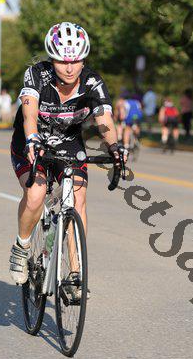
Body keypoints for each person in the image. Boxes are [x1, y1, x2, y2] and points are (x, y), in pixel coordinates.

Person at [9, 22, 127, 292]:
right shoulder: (37, 75)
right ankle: (21, 247)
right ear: (52, 59)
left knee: (78, 197)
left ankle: (75, 274)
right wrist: (32, 138)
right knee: (36, 194)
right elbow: (29, 114)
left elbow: (104, 120)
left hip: (68, 143)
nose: (70, 68)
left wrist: (114, 147)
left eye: (76, 60)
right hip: (31, 140)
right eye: (63, 61)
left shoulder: (92, 82)